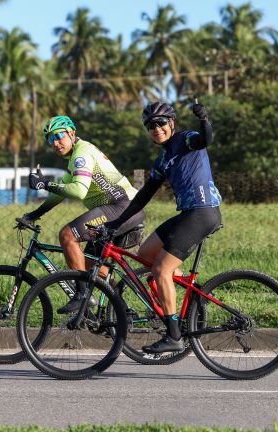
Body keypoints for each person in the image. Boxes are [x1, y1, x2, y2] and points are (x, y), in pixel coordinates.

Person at [102, 100, 222, 354]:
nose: (156, 129)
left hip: (202, 212)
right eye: (150, 125)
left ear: (172, 123)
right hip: (188, 213)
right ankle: (181, 297)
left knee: (161, 269)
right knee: (145, 254)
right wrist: (115, 223)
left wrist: (204, 119)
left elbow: (206, 139)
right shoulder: (163, 159)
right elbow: (143, 196)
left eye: (161, 123)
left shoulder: (186, 139)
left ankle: (174, 334)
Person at [22, 115, 145, 314]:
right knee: (88, 263)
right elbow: (60, 194)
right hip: (121, 209)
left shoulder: (82, 153)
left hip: (122, 207)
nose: (55, 143)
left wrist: (44, 183)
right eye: (50, 139)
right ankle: (122, 311)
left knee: (67, 235)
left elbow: (78, 190)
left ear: (72, 133)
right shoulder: (75, 158)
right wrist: (35, 214)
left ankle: (81, 296)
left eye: (59, 136)